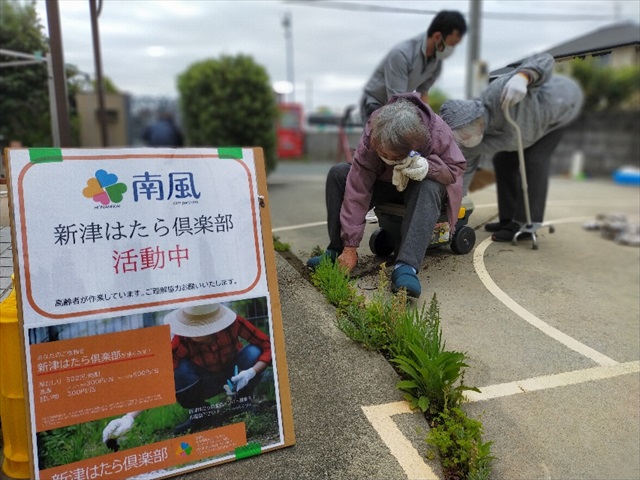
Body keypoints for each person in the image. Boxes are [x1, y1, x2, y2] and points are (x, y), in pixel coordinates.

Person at [306, 92, 466, 298]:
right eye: (383, 153)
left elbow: (455, 169)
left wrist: (429, 167)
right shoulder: (374, 130)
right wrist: (350, 245)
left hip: (419, 186)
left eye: (394, 156)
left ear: (413, 145)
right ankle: (335, 250)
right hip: (386, 182)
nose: (388, 158)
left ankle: (406, 267)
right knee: (339, 174)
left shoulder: (437, 131)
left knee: (428, 187)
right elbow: (357, 189)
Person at [439, 52, 584, 242]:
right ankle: (508, 219)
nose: (465, 142)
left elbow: (545, 59)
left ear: (474, 121)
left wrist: (523, 76)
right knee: (503, 160)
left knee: (534, 160)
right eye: (459, 140)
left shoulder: (499, 93)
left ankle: (526, 225)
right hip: (527, 134)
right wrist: (452, 202)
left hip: (558, 109)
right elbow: (464, 171)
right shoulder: (473, 141)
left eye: (464, 135)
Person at [102, 303, 272, 440]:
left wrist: (251, 372)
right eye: (190, 326)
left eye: (198, 327)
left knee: (253, 352)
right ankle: (200, 414)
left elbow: (268, 345)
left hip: (236, 377)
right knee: (178, 371)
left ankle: (241, 402)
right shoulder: (181, 341)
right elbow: (161, 377)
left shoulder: (233, 325)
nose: (193, 333)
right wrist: (129, 417)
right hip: (204, 382)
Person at [359, 10, 467, 124]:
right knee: (387, 137)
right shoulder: (402, 54)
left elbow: (423, 94)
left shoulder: (436, 62)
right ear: (437, 36)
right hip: (375, 103)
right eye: (451, 44)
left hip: (398, 105)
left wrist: (431, 122)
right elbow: (396, 102)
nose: (452, 49)